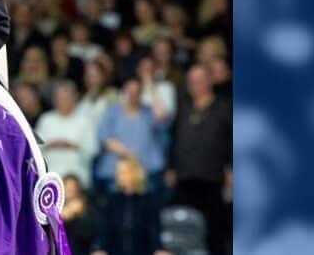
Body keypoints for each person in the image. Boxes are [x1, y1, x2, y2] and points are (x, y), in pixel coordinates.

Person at [167, 65, 233, 255]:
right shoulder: (184, 106)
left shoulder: (224, 107)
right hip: (185, 176)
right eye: (191, 81)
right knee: (185, 228)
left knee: (214, 229)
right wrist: (171, 167)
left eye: (199, 80)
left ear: (210, 81)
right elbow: (174, 138)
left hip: (212, 177)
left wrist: (232, 168)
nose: (195, 85)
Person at [94, 78, 171, 194]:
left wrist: (151, 89)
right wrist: (128, 153)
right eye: (130, 91)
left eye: (137, 91)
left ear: (142, 93)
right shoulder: (112, 111)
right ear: (124, 92)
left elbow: (162, 117)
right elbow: (104, 138)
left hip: (147, 171)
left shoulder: (149, 112)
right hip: (115, 173)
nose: (133, 95)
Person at [91, 157, 170, 255]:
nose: (118, 176)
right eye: (118, 172)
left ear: (135, 173)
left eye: (123, 172)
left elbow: (154, 232)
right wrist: (100, 249)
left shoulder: (149, 201)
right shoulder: (111, 201)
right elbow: (104, 232)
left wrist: (159, 250)